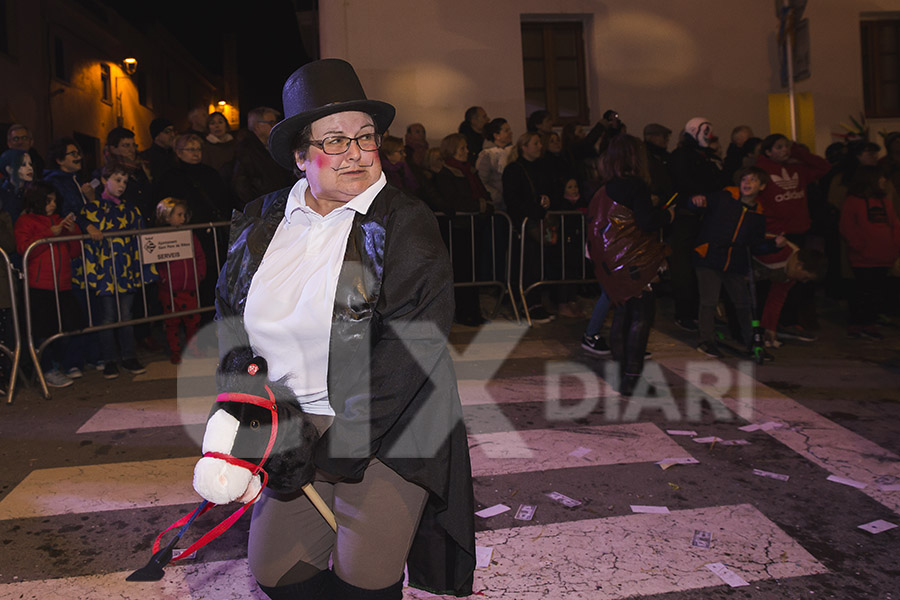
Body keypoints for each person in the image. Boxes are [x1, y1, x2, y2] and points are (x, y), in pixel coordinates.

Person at [195, 58, 474, 599]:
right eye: (336, 140)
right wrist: (253, 415)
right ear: (301, 157)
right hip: (289, 426)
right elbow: (230, 320)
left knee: (363, 580)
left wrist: (336, 448)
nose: (355, 153)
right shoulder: (259, 220)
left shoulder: (403, 221)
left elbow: (411, 347)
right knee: (278, 572)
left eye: (365, 138)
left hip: (389, 430)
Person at [588, 134, 673, 396]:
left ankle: (621, 374)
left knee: (622, 314)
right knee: (641, 317)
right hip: (633, 262)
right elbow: (647, 222)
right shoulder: (635, 185)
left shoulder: (605, 187)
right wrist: (667, 214)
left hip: (611, 263)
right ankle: (632, 379)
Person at [690, 166, 783, 358]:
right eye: (744, 180)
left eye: (753, 180)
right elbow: (699, 204)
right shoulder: (724, 198)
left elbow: (756, 245)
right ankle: (705, 340)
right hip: (710, 256)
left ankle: (752, 341)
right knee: (709, 300)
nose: (747, 183)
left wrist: (774, 244)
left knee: (743, 302)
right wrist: (695, 201)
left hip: (736, 262)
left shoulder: (758, 213)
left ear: (762, 186)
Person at [76, 162, 155, 379]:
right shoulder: (92, 210)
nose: (121, 185)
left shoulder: (130, 209)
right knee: (108, 316)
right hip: (105, 272)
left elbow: (142, 237)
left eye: (125, 182)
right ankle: (110, 359)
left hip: (126, 270)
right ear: (104, 180)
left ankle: (129, 356)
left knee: (126, 315)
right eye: (117, 180)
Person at [14, 182, 81, 388]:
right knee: (44, 331)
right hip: (40, 285)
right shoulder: (25, 221)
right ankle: (47, 369)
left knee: (69, 327)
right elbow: (25, 250)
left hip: (62, 284)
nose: (52, 204)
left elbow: (74, 252)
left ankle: (58, 364)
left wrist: (71, 231)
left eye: (54, 200)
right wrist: (48, 233)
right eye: (48, 200)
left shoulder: (59, 220)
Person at [668, 117, 729, 332]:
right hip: (687, 217)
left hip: (706, 218)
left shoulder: (705, 158)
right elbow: (681, 181)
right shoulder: (682, 157)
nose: (708, 137)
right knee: (684, 266)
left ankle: (704, 312)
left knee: (704, 267)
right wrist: (693, 195)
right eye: (704, 133)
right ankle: (686, 312)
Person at [435, 133, 491, 326]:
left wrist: (483, 203)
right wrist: (481, 205)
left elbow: (483, 194)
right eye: (462, 148)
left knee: (473, 271)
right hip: (458, 229)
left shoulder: (469, 172)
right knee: (461, 272)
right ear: (452, 151)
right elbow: (456, 201)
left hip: (474, 227)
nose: (467, 151)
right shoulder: (447, 174)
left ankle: (474, 310)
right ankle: (462, 311)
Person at [839, 165, 900, 339]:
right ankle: (858, 324)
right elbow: (847, 226)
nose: (884, 181)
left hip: (884, 256)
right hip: (863, 258)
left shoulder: (884, 201)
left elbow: (894, 224)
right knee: (863, 292)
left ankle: (869, 323)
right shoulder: (853, 201)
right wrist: (860, 247)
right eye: (880, 177)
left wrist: (895, 247)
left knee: (877, 293)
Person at [155, 197, 206, 364]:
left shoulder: (189, 235)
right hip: (169, 290)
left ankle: (193, 349)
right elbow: (156, 260)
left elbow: (199, 256)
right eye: (178, 214)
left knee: (193, 321)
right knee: (172, 323)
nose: (183, 218)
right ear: (166, 217)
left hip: (189, 287)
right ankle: (175, 350)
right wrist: (162, 278)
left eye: (184, 214)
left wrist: (199, 274)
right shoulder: (160, 238)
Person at [232, 106, 296, 207]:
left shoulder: (275, 147)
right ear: (257, 126)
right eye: (271, 122)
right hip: (262, 210)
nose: (275, 125)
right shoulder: (245, 150)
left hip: (278, 205)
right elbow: (241, 185)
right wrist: (256, 207)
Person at [43, 137, 96, 231]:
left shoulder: (78, 179)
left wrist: (91, 197)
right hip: (71, 232)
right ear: (59, 160)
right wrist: (86, 225)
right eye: (73, 154)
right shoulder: (53, 182)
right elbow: (65, 210)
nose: (79, 157)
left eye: (78, 153)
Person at [475, 117, 513, 211]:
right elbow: (481, 180)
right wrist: (497, 196)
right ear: (496, 135)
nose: (510, 133)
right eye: (506, 130)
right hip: (498, 203)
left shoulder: (513, 152)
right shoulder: (487, 155)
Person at [0, 149, 34, 224]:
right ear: (9, 169)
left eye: (30, 164)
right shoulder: (3, 193)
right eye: (23, 165)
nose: (30, 168)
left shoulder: (33, 189)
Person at [139, 118, 177, 183]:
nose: (172, 135)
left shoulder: (177, 154)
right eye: (167, 132)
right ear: (156, 136)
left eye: (173, 131)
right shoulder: (146, 158)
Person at [201, 111, 238, 178]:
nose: (217, 126)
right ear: (208, 127)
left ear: (226, 125)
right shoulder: (205, 147)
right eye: (212, 123)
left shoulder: (235, 145)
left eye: (220, 122)